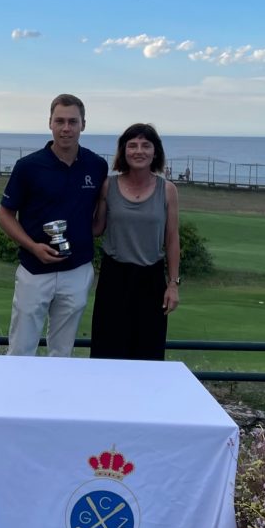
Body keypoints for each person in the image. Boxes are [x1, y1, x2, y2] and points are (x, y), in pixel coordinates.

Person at [0, 94, 108, 357]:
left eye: (72, 121)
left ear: (83, 124)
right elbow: (4, 215)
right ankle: (18, 387)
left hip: (77, 271)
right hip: (34, 271)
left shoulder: (97, 165)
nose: (66, 128)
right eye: (60, 121)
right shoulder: (28, 166)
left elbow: (97, 223)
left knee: (62, 352)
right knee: (21, 349)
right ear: (50, 123)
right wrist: (33, 247)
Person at [89, 123, 180, 361]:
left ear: (155, 152)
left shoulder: (168, 190)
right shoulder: (108, 186)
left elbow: (172, 239)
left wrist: (173, 284)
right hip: (114, 278)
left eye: (145, 145)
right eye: (132, 145)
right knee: (107, 351)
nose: (139, 151)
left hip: (151, 280)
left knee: (148, 354)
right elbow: (96, 228)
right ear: (123, 151)